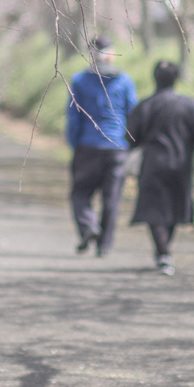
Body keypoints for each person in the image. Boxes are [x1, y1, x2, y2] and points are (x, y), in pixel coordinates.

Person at [127, 60, 194, 275]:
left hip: (152, 164)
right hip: (180, 165)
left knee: (154, 209)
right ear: (177, 79)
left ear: (154, 78)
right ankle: (164, 252)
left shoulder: (145, 105)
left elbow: (130, 138)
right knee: (173, 208)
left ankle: (162, 252)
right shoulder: (188, 105)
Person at [65, 36, 139, 257]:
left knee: (80, 193)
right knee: (111, 199)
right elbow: (132, 115)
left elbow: (73, 117)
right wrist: (132, 144)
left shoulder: (79, 80)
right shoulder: (125, 81)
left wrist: (74, 144)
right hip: (117, 147)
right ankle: (104, 246)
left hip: (87, 146)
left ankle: (88, 227)